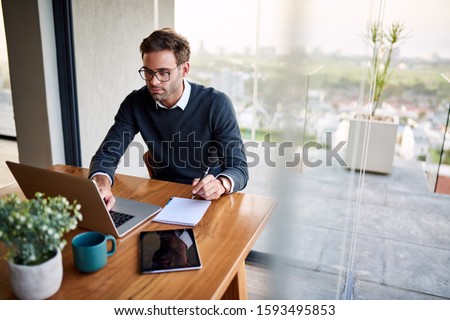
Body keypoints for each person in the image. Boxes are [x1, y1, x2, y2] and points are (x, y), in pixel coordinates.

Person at [89, 28, 248, 210]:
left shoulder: (216, 104)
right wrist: (101, 182)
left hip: (208, 199)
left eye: (163, 73)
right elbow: (107, 153)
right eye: (148, 72)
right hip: (163, 196)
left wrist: (221, 184)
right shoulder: (135, 102)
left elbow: (239, 168)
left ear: (184, 69)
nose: (154, 81)